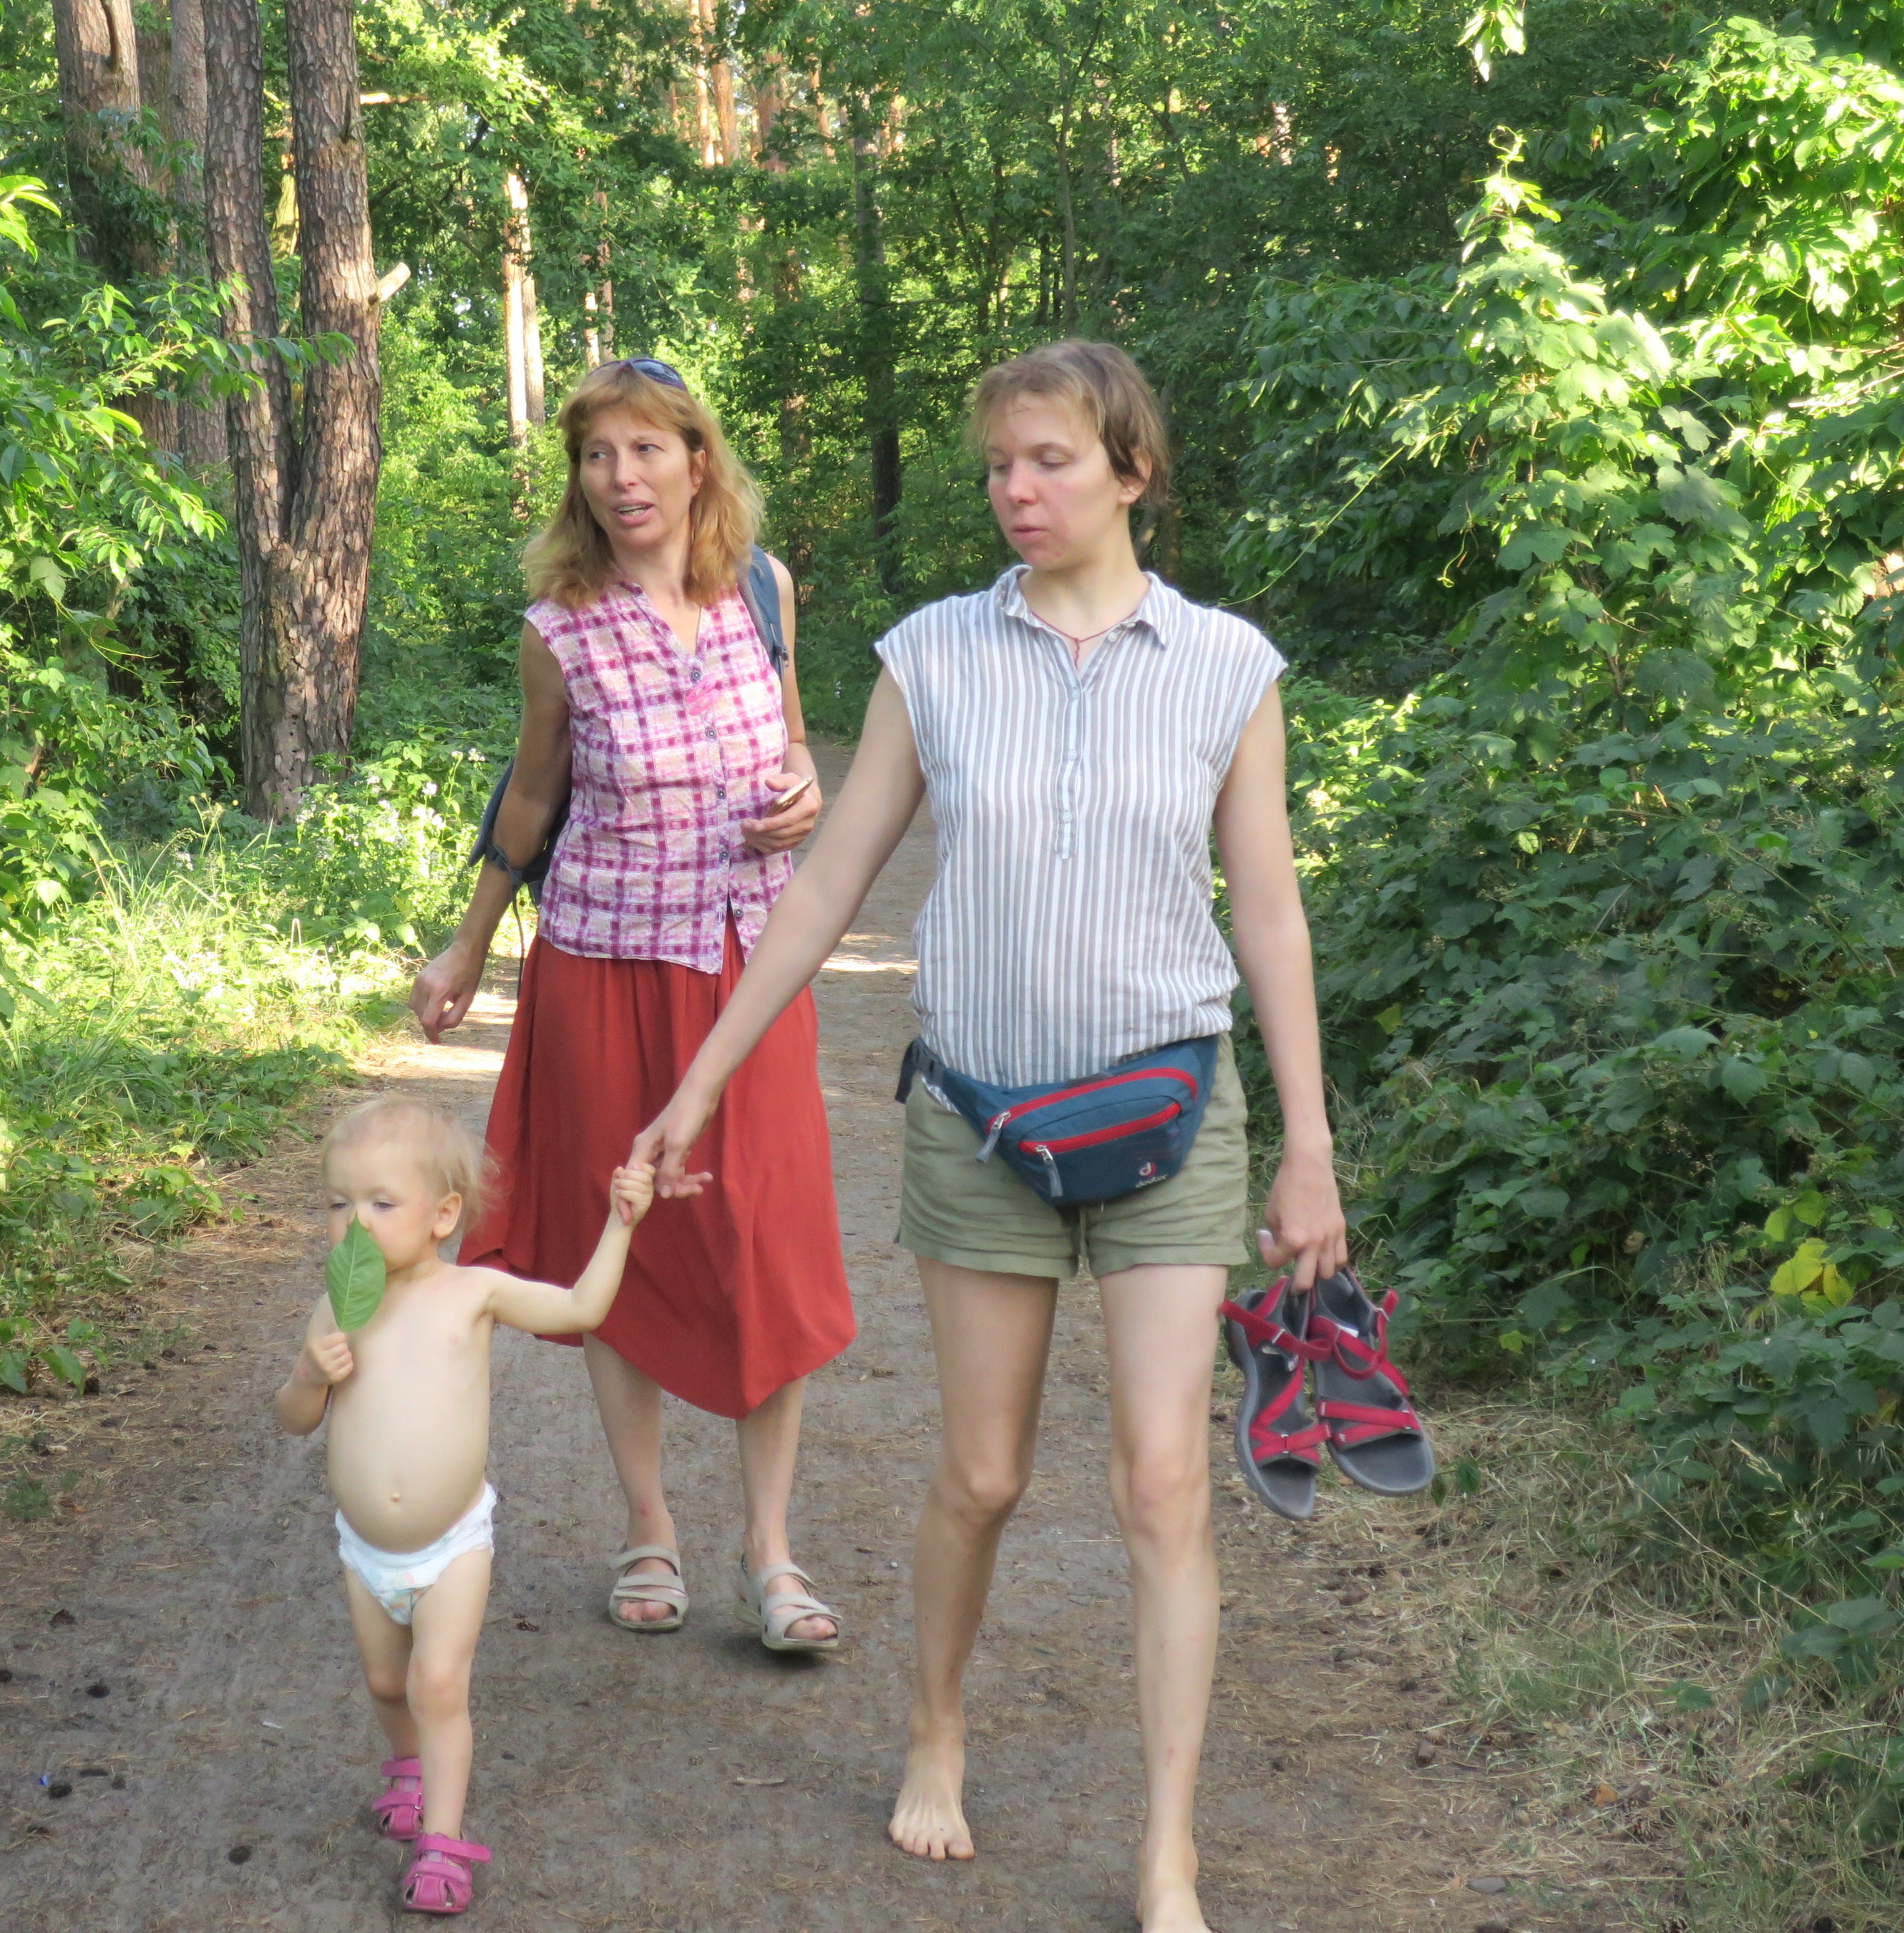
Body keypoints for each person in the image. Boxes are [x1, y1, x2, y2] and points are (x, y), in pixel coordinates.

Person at [630, 340, 1348, 1933]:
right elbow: (828, 881)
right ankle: (936, 1729)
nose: (1016, 491)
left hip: (1175, 1110)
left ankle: (1166, 1851)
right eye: (998, 467)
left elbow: (1269, 911)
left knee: (1163, 1482)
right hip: (977, 1117)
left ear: (1130, 471)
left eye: (1050, 461)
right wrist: (698, 1083)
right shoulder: (933, 655)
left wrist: (1307, 1143)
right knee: (980, 1472)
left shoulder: (1227, 666)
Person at [409, 356, 852, 1650]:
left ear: (698, 461)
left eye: (648, 449)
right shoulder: (559, 627)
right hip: (602, 965)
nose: (623, 477)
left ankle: (770, 1550)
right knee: (630, 1229)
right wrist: (466, 947)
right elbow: (531, 797)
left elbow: (792, 744)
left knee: (764, 1237)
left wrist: (804, 793)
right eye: (599, 455)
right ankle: (649, 1526)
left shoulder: (763, 589)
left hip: (748, 967)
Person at [276, 1094, 656, 1916]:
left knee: (438, 1682)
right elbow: (296, 1419)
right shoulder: (338, 1308)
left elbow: (580, 1309)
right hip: (365, 1550)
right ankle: (409, 1769)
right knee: (387, 1683)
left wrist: (620, 1224)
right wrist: (309, 1376)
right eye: (338, 1203)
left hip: (451, 1546)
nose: (355, 1223)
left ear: (444, 1215)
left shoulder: (473, 1294)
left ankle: (443, 1843)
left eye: (382, 1203)